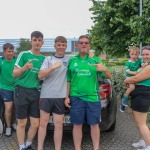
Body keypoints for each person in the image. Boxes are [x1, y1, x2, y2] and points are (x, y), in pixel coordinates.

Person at [65, 35, 112, 150]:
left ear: (89, 45)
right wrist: (66, 96)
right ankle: (77, 148)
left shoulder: (95, 60)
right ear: (77, 45)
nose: (84, 45)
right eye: (81, 43)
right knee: (77, 125)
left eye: (86, 43)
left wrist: (105, 69)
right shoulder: (72, 61)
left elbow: (109, 76)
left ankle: (96, 148)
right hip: (76, 98)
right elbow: (68, 80)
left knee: (94, 125)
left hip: (93, 98)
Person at [13, 31, 45, 150]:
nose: (37, 42)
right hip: (21, 90)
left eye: (39, 40)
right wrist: (24, 68)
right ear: (30, 41)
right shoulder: (24, 55)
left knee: (35, 124)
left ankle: (28, 144)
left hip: (36, 92)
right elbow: (14, 74)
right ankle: (21, 146)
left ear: (42, 42)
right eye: (35, 40)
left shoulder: (43, 59)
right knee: (22, 123)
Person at [38, 36, 69, 150]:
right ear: (55, 46)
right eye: (59, 44)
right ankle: (40, 148)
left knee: (59, 125)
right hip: (46, 96)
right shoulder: (48, 60)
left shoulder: (69, 59)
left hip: (60, 97)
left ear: (66, 46)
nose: (61, 47)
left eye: (63, 45)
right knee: (43, 124)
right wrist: (53, 67)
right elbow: (40, 75)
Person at [124, 46, 150, 150]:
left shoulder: (148, 67)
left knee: (142, 123)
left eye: (147, 54)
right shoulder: (143, 66)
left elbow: (136, 78)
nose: (145, 56)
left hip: (142, 95)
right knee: (139, 122)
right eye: (143, 54)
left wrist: (126, 81)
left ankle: (148, 146)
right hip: (138, 94)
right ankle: (142, 141)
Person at [0, 43, 16, 137]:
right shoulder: (1, 61)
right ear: (4, 52)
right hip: (5, 88)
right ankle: (8, 127)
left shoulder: (17, 61)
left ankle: (13, 122)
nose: (11, 53)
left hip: (17, 87)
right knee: (8, 108)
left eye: (12, 51)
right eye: (9, 51)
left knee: (15, 107)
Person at [120, 46, 141, 112]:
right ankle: (124, 98)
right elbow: (127, 71)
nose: (134, 56)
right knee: (132, 87)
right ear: (129, 54)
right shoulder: (128, 62)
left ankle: (123, 105)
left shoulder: (139, 61)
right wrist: (135, 73)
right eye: (132, 54)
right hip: (129, 77)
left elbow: (142, 66)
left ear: (138, 54)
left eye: (136, 54)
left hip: (136, 77)